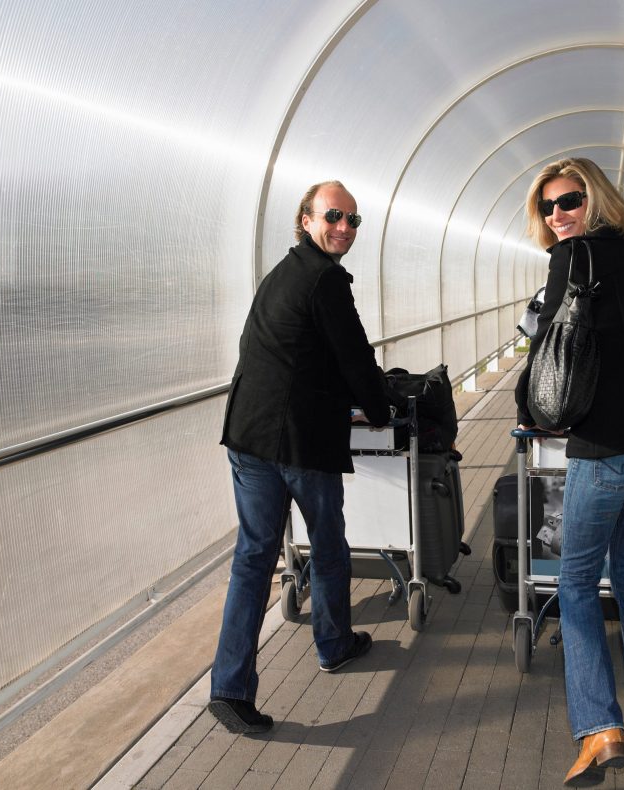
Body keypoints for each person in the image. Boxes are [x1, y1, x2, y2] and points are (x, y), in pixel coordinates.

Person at [514, 158, 624, 785]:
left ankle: (600, 729)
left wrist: (532, 411)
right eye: (547, 207)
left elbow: (550, 355)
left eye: (568, 201)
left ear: (595, 200)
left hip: (608, 449)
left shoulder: (573, 260)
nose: (557, 216)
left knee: (575, 581)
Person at [209, 180, 391, 734]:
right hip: (297, 442)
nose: (344, 227)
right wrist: (382, 411)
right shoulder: (325, 279)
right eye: (334, 216)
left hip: (248, 437)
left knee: (254, 557)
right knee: (329, 542)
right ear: (306, 219)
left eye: (353, 220)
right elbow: (355, 357)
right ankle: (333, 643)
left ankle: (230, 687)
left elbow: (281, 351)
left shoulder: (283, 272)